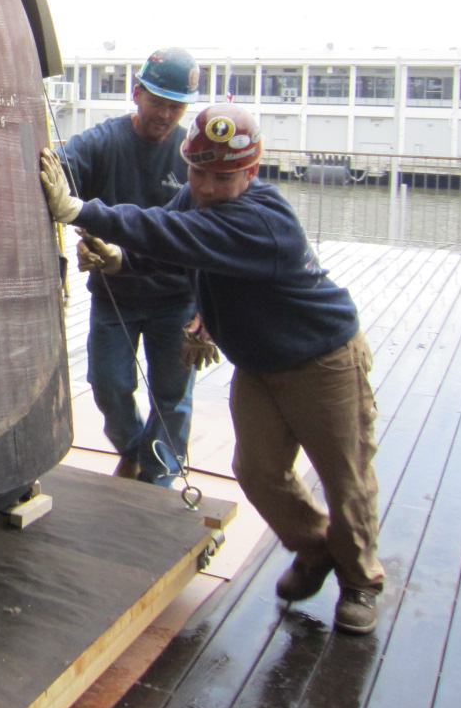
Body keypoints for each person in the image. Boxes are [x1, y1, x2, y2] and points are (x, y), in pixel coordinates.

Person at [39, 104, 384, 634]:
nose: (204, 185)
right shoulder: (201, 196)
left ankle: (361, 581)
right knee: (257, 471)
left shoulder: (266, 223)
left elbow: (179, 235)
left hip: (323, 362)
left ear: (253, 170)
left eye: (221, 176)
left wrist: (81, 211)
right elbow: (175, 240)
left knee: (346, 475)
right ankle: (315, 548)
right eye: (197, 171)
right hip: (259, 364)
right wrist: (123, 260)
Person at [57, 47, 201, 486]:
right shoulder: (105, 142)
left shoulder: (193, 157)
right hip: (114, 297)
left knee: (172, 396)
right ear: (136, 93)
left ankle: (158, 478)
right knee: (108, 383)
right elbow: (58, 170)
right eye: (157, 101)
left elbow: (210, 238)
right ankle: (134, 449)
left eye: (176, 106)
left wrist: (206, 311)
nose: (164, 114)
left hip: (176, 299)